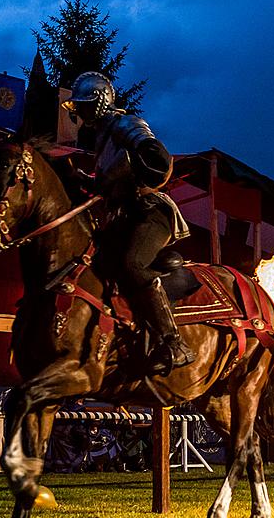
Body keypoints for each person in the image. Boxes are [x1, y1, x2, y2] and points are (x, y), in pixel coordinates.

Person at [61, 72, 194, 374]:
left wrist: (127, 169)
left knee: (132, 263)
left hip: (148, 212)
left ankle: (174, 343)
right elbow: (106, 186)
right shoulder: (103, 140)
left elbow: (156, 158)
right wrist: (80, 179)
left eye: (82, 105)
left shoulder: (125, 124)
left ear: (97, 102)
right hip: (123, 219)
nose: (79, 113)